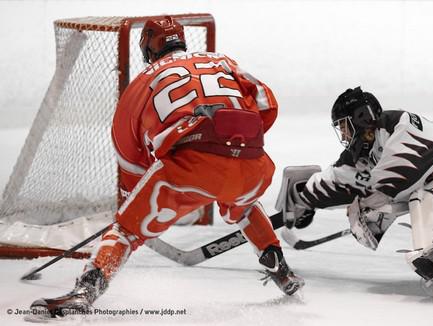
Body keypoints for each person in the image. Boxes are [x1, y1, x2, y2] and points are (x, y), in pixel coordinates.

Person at [30, 16, 304, 318]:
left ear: (148, 49)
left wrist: (136, 208)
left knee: (126, 230)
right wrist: (238, 143)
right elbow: (267, 103)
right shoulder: (222, 61)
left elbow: (131, 160)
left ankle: (85, 290)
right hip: (254, 164)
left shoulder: (139, 85)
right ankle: (282, 270)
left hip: (188, 169)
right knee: (245, 205)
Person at [284, 86, 433, 297]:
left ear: (362, 118)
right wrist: (304, 199)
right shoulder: (366, 149)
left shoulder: (400, 125)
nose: (344, 135)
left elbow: (395, 178)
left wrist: (368, 204)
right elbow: (339, 177)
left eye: (345, 126)